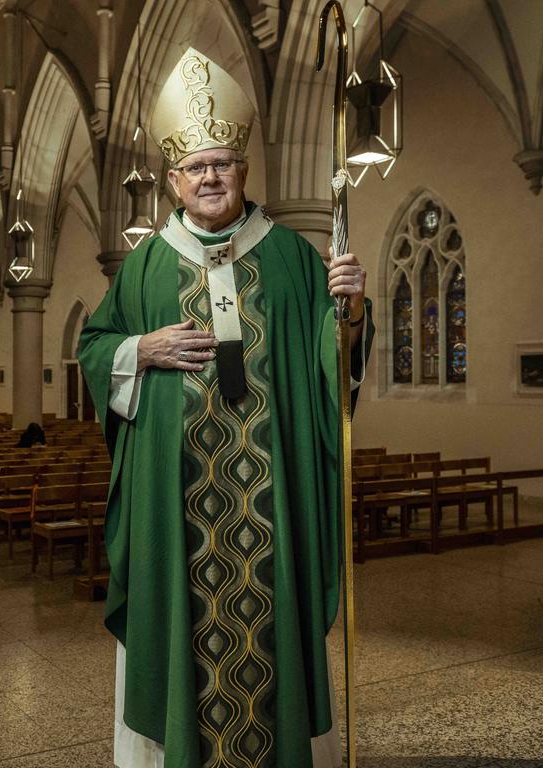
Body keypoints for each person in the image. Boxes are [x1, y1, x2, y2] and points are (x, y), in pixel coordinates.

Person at [78, 48, 373, 768]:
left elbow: (330, 372)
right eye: (195, 167)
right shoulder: (145, 265)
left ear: (244, 170)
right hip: (176, 508)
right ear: (173, 181)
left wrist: (352, 312)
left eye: (223, 163)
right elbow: (94, 348)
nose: (210, 176)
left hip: (270, 506)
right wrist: (138, 348)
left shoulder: (294, 260)